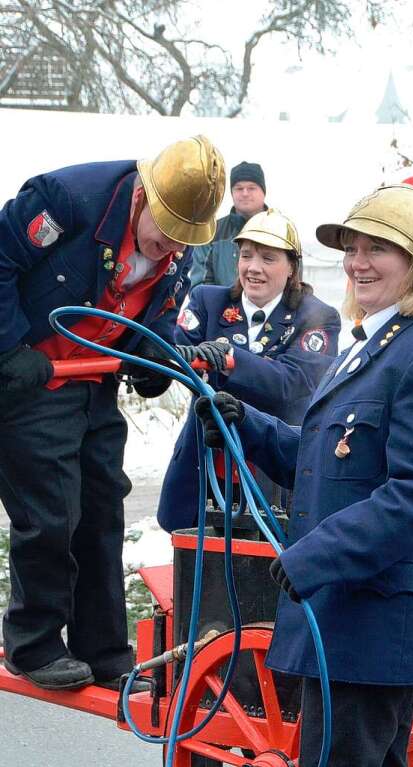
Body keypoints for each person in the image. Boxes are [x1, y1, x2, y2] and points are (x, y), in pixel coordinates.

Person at [194, 184, 413, 767]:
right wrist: (245, 423)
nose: (357, 263)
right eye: (353, 248)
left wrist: (314, 557)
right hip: (349, 622)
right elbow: (329, 461)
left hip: (374, 627)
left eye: (379, 249)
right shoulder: (371, 341)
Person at [0, 136, 225, 690]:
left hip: (92, 379)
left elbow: (160, 313)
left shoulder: (178, 249)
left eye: (183, 238)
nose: (171, 246)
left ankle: (103, 649)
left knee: (103, 506)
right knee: (52, 509)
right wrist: (9, 350)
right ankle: (32, 643)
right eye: (165, 229)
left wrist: (153, 353)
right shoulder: (67, 200)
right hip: (33, 378)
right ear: (143, 194)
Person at [156, 209, 341, 532]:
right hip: (207, 459)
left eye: (268, 258)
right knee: (196, 558)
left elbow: (291, 384)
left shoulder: (317, 317)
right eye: (246, 256)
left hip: (271, 469)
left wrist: (229, 358)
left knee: (262, 562)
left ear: (291, 267)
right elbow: (175, 356)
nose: (253, 268)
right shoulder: (207, 301)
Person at [188, 161, 269, 287]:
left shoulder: (281, 233)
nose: (245, 193)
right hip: (220, 306)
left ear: (263, 192)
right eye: (239, 188)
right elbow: (199, 286)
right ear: (231, 193)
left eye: (252, 188)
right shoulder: (211, 233)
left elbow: (292, 285)